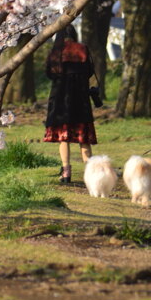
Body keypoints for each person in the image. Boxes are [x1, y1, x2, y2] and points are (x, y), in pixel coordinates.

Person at [43, 25, 102, 183]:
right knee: (84, 139)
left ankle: (66, 172)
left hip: (61, 101)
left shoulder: (56, 51)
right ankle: (91, 174)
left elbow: (49, 73)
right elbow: (90, 71)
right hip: (81, 101)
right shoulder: (82, 49)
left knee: (64, 138)